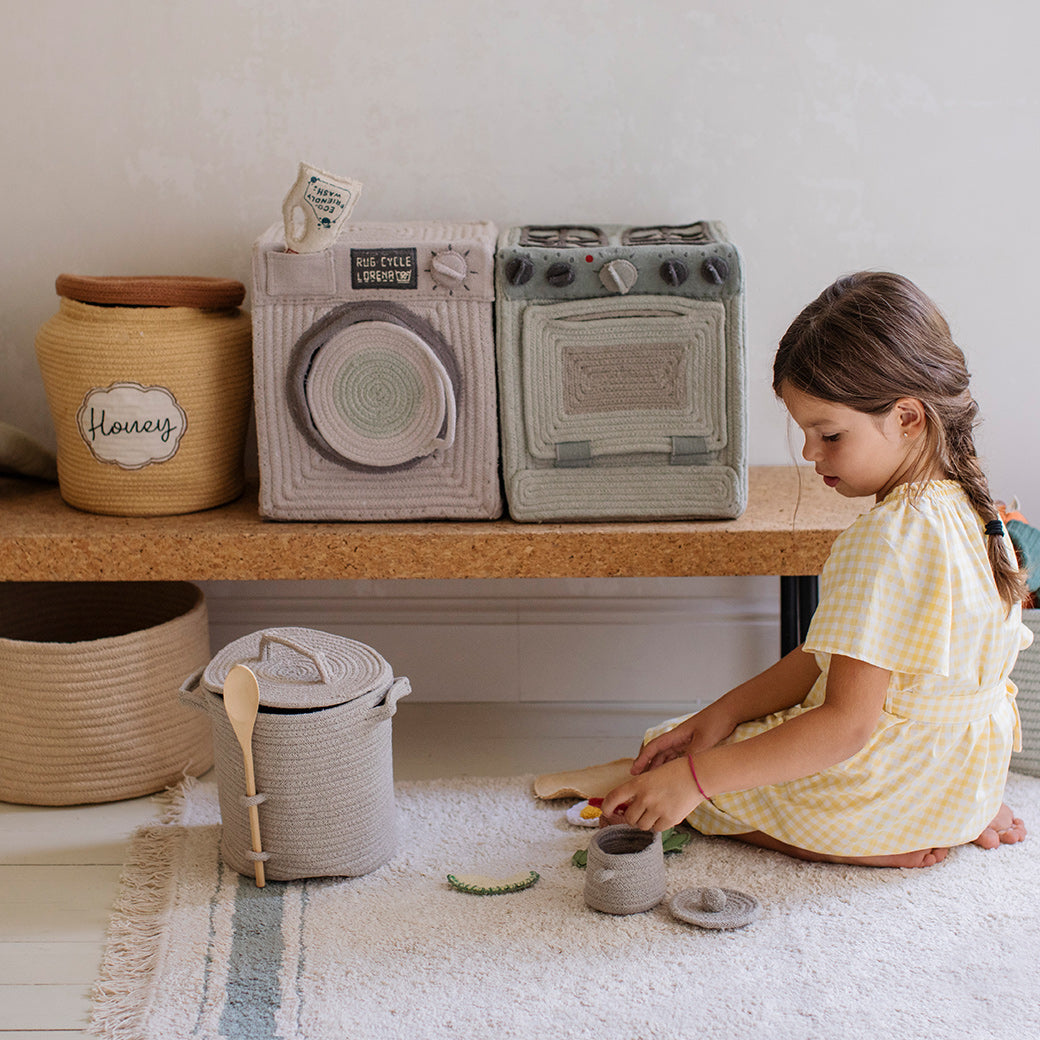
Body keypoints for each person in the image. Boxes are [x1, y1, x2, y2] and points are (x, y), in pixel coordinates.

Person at [601, 271, 1031, 867]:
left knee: (669, 771)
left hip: (889, 794)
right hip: (965, 782)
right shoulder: (977, 511)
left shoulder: (885, 537)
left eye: (828, 433)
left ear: (907, 417)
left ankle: (878, 850)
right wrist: (718, 716)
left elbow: (845, 728)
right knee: (699, 746)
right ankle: (945, 820)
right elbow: (821, 658)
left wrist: (694, 782)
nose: (809, 454)